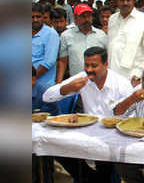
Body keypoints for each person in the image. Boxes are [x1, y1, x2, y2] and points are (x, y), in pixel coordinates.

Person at [43, 47, 130, 183]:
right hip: (88, 133)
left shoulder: (121, 84)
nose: (89, 69)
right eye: (86, 65)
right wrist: (68, 88)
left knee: (103, 162)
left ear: (106, 65)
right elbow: (47, 97)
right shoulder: (82, 78)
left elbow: (130, 115)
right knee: (56, 147)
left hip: (113, 135)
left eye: (94, 65)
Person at [107, 0, 144, 87]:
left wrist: (138, 75)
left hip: (132, 79)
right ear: (117, 1)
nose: (125, 3)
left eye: (128, 0)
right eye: (122, 0)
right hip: (112, 77)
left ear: (133, 1)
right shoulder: (112, 19)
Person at [56, 4, 108, 84]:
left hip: (98, 82)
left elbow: (106, 59)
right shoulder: (66, 36)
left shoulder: (101, 35)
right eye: (83, 16)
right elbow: (63, 61)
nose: (87, 19)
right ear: (75, 18)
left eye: (89, 16)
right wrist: (59, 83)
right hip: (76, 82)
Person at [32, 3, 60, 86]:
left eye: (38, 16)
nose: (35, 20)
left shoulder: (51, 34)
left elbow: (48, 62)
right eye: (32, 17)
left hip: (42, 86)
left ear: (43, 17)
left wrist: (31, 79)